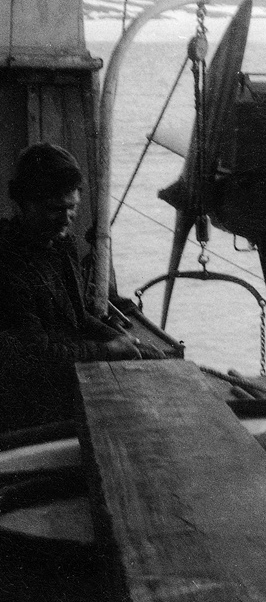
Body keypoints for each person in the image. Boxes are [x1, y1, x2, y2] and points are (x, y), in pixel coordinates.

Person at [0, 143, 169, 430]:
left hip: (61, 382)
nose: (66, 219)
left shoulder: (61, 245)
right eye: (55, 209)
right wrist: (108, 351)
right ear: (21, 203)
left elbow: (77, 317)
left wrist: (123, 341)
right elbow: (34, 355)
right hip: (23, 406)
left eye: (72, 208)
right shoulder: (8, 263)